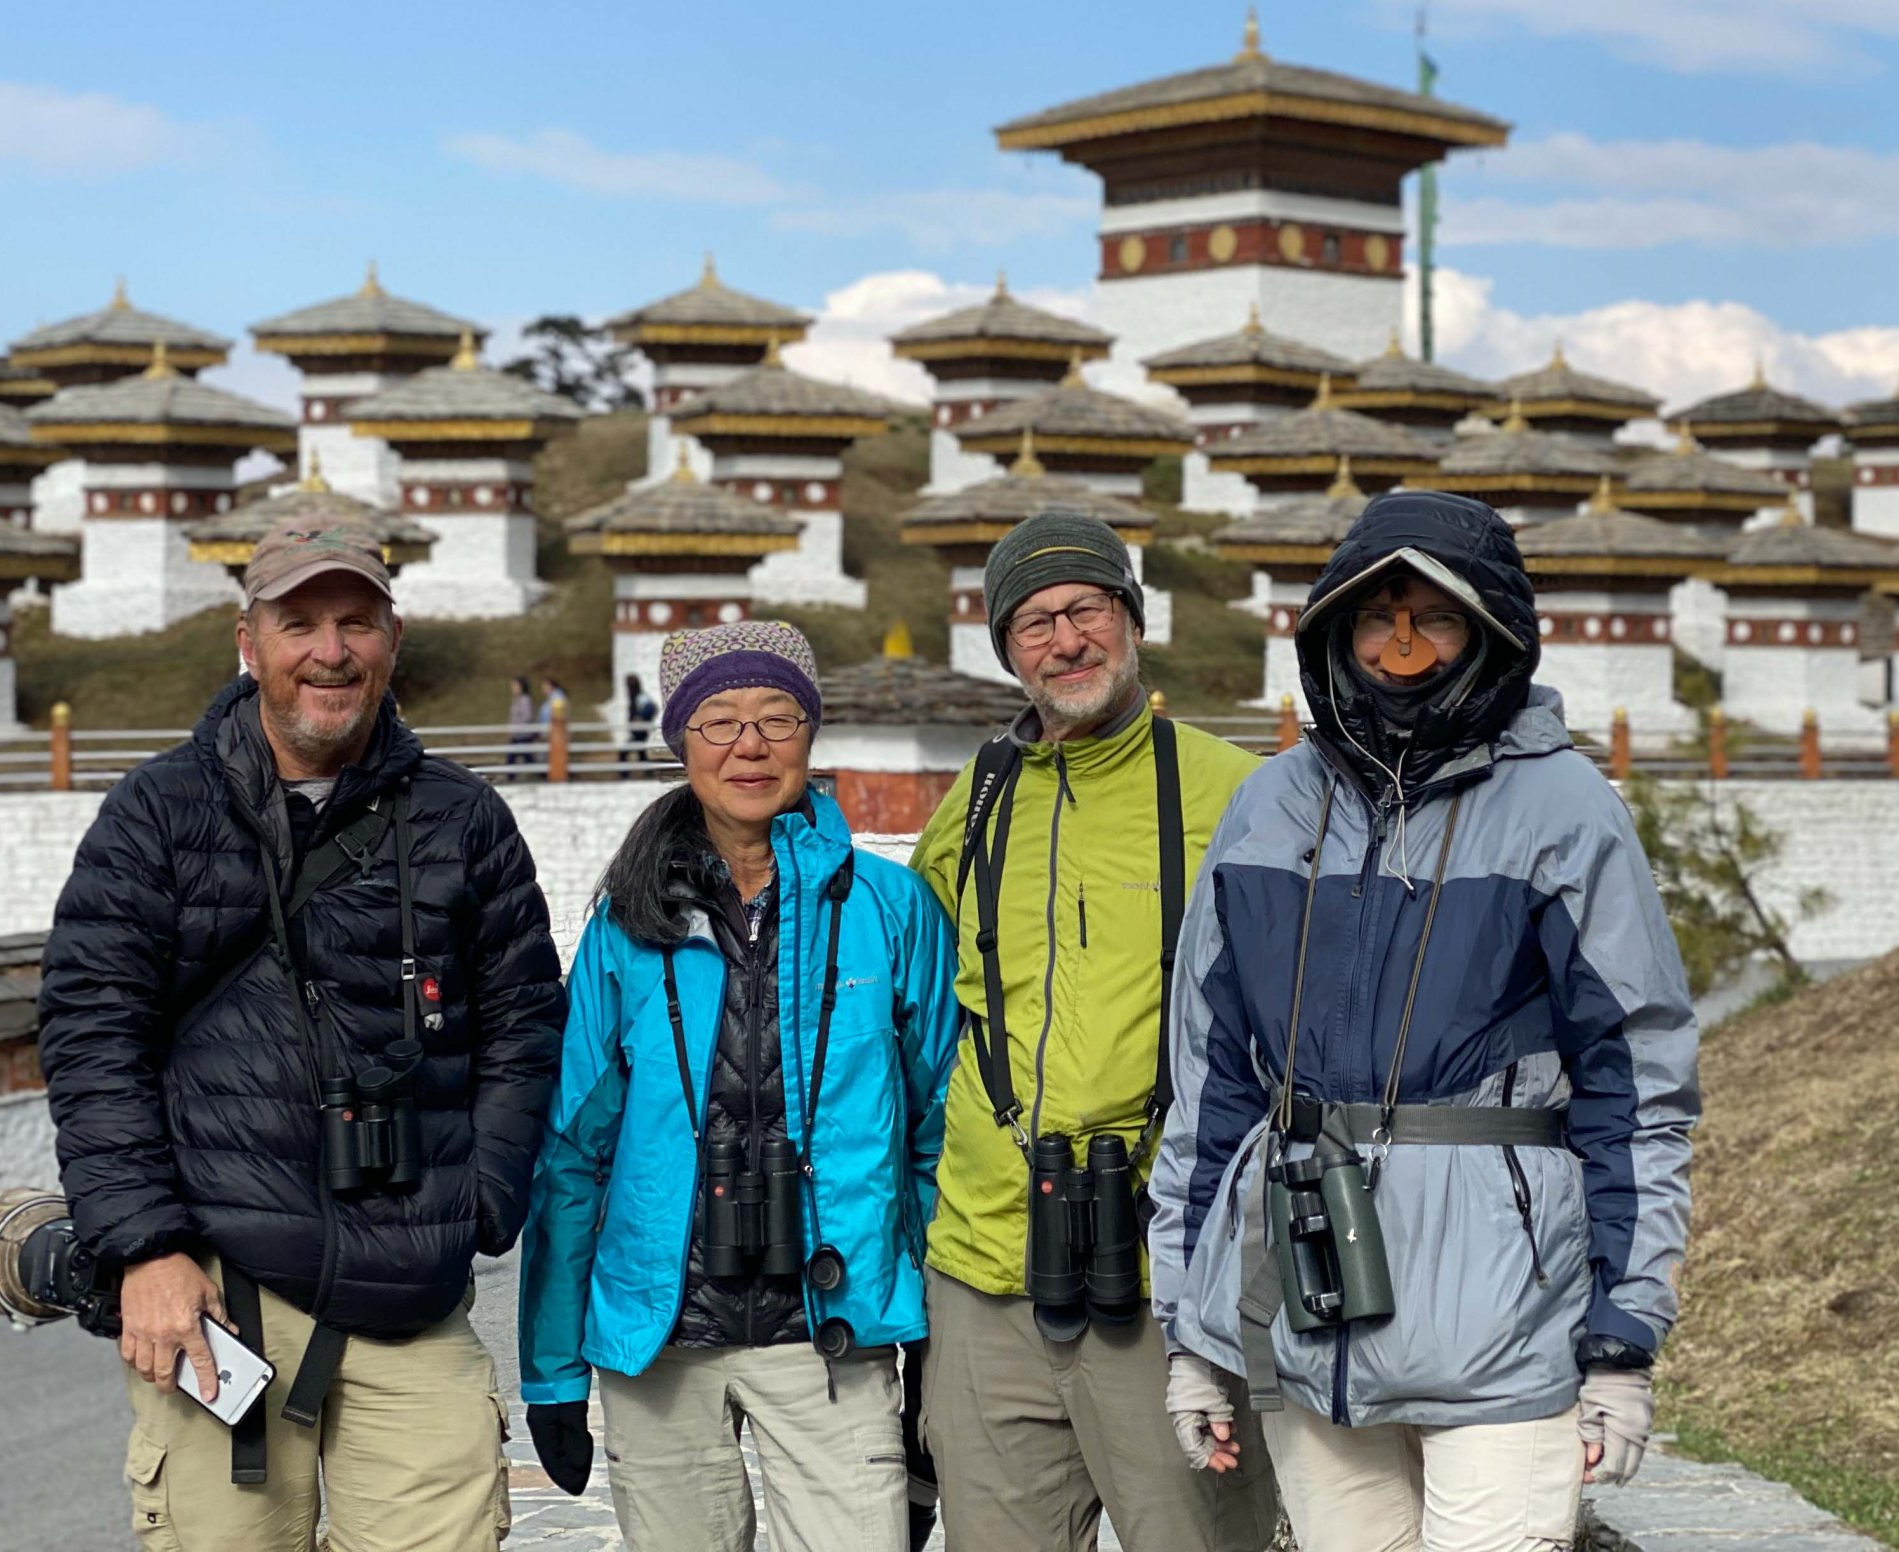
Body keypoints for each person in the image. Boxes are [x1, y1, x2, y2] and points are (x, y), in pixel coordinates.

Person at [1147, 491, 1700, 1552]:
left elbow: (1635, 1086)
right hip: (1310, 1297)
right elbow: (1212, 1083)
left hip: (1502, 1309)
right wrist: (1196, 1326)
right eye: (1374, 618)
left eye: (1433, 618)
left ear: (1488, 634)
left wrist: (1622, 1339)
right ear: (1332, 634)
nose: (1400, 646)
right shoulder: (1268, 810)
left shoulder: (1565, 810)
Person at [38, 521, 567, 1551]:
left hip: (412, 1283)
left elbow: (524, 1021)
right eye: (300, 624)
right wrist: (146, 1249)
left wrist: (481, 1199)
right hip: (219, 1295)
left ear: (392, 641)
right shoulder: (157, 814)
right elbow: (92, 1035)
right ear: (248, 643)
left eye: (355, 622)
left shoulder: (462, 820)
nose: (331, 650)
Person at [517, 621, 960, 1552]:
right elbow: (572, 1157)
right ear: (679, 741)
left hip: (832, 1328)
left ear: (811, 736)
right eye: (718, 721)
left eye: (777, 718)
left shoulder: (890, 910)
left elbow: (936, 1136)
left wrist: (932, 1339)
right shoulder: (629, 926)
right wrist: (553, 1371)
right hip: (661, 1334)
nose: (749, 746)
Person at [907, 512, 1280, 1552]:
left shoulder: (1236, 796)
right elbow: (915, 1004)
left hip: (1166, 1272)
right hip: (985, 1270)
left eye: (1084, 610)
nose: (1064, 642)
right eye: (1032, 623)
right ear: (1004, 647)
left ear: (1132, 617)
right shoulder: (974, 803)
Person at [624, 670, 661, 767]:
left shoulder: (641, 697)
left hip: (640, 732)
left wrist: (641, 718)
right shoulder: (635, 697)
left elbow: (652, 708)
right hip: (637, 732)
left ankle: (624, 777)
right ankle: (647, 774)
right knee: (642, 755)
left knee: (624, 753)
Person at [506, 673, 538, 770]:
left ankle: (542, 774)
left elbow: (527, 717)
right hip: (517, 735)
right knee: (518, 757)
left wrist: (515, 727)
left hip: (523, 735)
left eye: (515, 685)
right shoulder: (516, 699)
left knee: (515, 757)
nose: (513, 688)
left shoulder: (525, 700)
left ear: (521, 686)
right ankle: (541, 774)